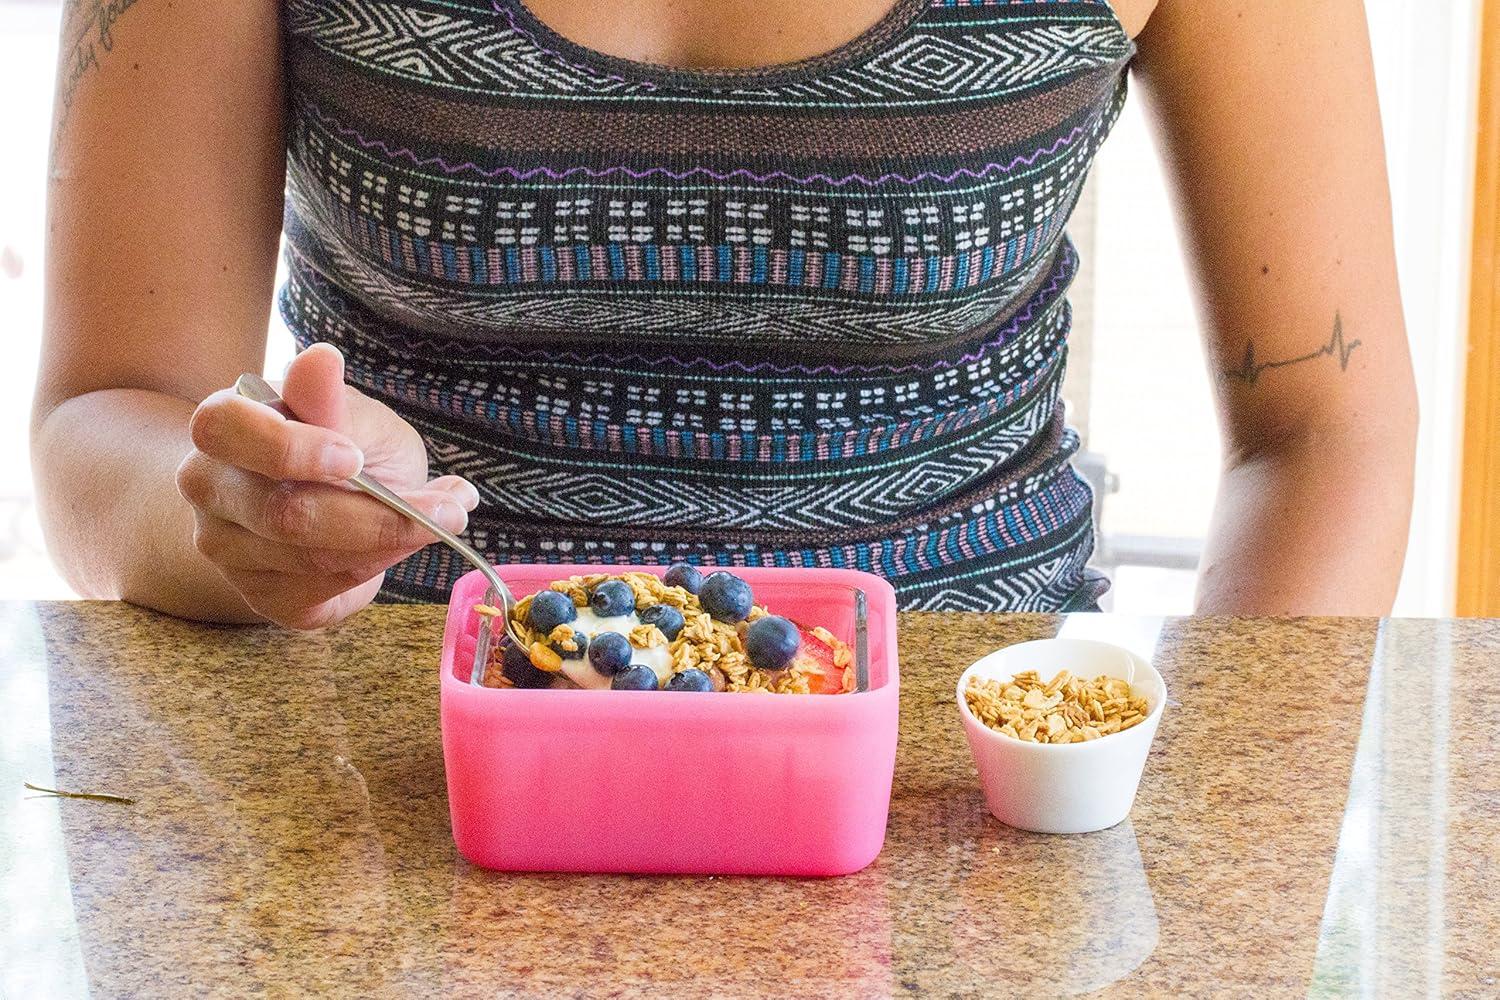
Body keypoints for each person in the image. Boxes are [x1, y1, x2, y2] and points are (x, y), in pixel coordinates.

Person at [32, 0, 1417, 628]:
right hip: (400, 786)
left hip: (958, 808)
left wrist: (1215, 830)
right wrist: (247, 516)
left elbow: (1324, 427)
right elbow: (109, 412)